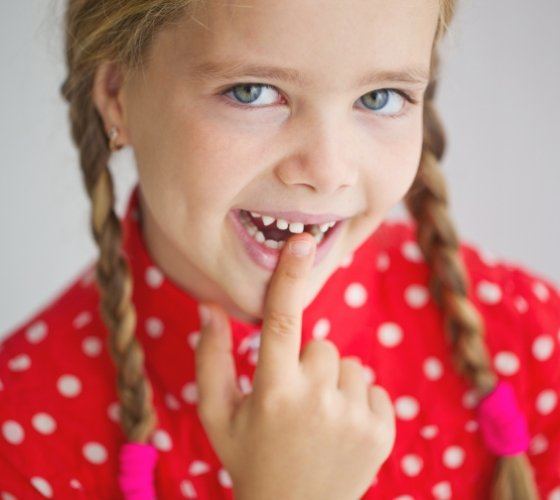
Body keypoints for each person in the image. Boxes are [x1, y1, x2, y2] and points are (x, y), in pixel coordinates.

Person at [1, 0, 559, 498]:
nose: (327, 171)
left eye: (380, 97)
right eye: (252, 92)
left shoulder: (531, 339)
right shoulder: (21, 431)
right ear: (118, 98)